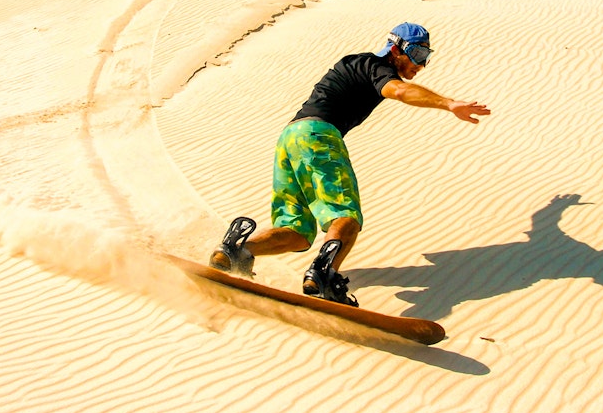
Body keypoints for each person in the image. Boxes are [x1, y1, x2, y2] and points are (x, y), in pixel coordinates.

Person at [209, 22, 490, 306]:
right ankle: (324, 275)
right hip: (319, 136)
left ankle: (237, 251)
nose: (421, 64)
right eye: (416, 54)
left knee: (297, 233)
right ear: (395, 49)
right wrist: (450, 104)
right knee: (346, 216)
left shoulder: (357, 64)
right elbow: (401, 92)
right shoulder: (375, 65)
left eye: (426, 57)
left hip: (290, 139)